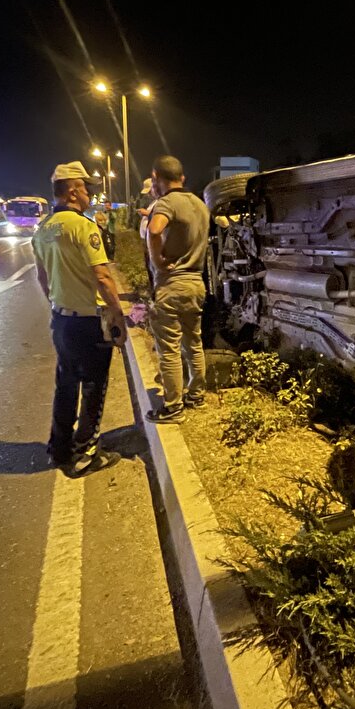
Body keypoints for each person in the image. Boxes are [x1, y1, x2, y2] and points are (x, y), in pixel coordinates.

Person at [32, 161, 128, 476]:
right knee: (94, 386)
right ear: (73, 190)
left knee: (66, 383)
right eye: (85, 188)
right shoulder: (83, 226)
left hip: (61, 320)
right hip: (89, 322)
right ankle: (86, 451)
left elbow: (42, 280)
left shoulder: (43, 229)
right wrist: (118, 316)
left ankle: (59, 449)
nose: (88, 194)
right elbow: (102, 277)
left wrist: (59, 304)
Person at [145, 155, 211, 423]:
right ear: (182, 178)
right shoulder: (200, 204)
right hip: (196, 283)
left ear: (156, 179)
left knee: (169, 349)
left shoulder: (166, 203)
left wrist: (158, 261)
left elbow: (154, 229)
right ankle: (196, 395)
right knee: (194, 342)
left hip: (173, 285)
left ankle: (172, 407)